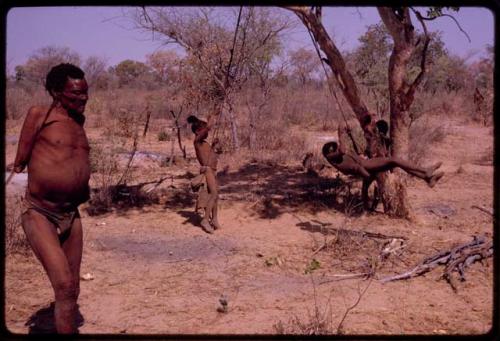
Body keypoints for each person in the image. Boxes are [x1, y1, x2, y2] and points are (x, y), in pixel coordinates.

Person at [9, 63, 91, 334]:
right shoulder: (39, 115)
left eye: (84, 94)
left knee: (73, 288)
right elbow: (20, 160)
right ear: (56, 92)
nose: (81, 99)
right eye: (74, 94)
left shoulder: (79, 121)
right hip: (40, 212)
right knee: (64, 285)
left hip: (71, 213)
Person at [322, 141, 444, 187]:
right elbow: (357, 167)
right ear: (330, 154)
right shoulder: (332, 158)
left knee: (396, 164)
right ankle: (425, 170)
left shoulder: (334, 156)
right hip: (366, 166)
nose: (339, 150)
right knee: (393, 160)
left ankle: (427, 178)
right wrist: (369, 177)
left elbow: (343, 150)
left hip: (366, 164)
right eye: (336, 150)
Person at [187, 114, 221, 233]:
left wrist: (215, 147)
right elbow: (207, 129)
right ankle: (205, 220)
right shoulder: (197, 141)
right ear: (197, 131)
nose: (206, 132)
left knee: (216, 196)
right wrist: (210, 122)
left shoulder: (205, 143)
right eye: (203, 129)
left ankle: (215, 219)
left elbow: (213, 156)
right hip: (207, 170)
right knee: (214, 194)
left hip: (213, 170)